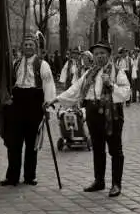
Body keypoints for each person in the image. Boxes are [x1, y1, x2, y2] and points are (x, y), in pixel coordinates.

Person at [45, 41, 130, 197]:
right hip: (92, 112)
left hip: (112, 114)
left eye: (102, 53)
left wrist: (110, 85)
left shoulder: (117, 72)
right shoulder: (89, 73)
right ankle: (99, 181)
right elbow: (75, 89)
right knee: (97, 148)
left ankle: (116, 184)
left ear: (109, 55)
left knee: (115, 150)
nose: (99, 56)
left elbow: (126, 93)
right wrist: (56, 100)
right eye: (96, 54)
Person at [0, 34, 56, 186]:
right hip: (17, 103)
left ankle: (30, 176)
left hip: (34, 102)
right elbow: (10, 82)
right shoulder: (16, 63)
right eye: (26, 45)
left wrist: (48, 106)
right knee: (13, 142)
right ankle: (12, 176)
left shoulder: (42, 64)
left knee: (32, 142)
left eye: (31, 45)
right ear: (22, 47)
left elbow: (48, 85)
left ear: (35, 47)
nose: (28, 47)